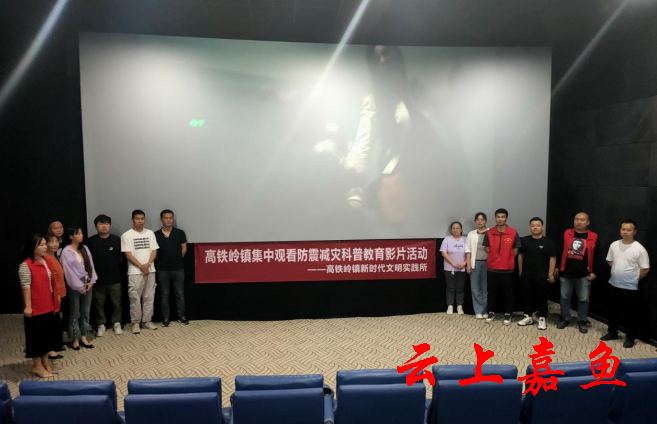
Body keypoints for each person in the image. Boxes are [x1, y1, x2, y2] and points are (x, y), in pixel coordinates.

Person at [600, 220, 650, 348]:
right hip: (613, 284)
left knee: (630, 315)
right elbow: (610, 261)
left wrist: (633, 278)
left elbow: (645, 269)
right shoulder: (614, 245)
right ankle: (612, 332)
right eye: (623, 229)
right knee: (612, 311)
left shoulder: (639, 249)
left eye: (628, 230)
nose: (625, 232)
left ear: (635, 232)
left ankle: (630, 338)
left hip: (630, 288)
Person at [19, 234, 62, 377]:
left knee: (47, 336)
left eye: (45, 244)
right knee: (36, 338)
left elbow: (51, 282)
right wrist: (28, 306)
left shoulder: (46, 261)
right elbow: (26, 287)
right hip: (36, 307)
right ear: (33, 247)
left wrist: (56, 296)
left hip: (48, 304)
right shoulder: (26, 265)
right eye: (41, 245)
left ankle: (46, 364)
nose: (45, 247)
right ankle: (37, 366)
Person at [557, 212, 599, 333]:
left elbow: (598, 255)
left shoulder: (594, 236)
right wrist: (557, 266)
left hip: (584, 274)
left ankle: (582, 320)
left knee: (584, 299)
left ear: (588, 222)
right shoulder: (567, 233)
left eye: (582, 220)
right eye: (577, 219)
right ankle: (565, 318)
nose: (579, 222)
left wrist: (594, 272)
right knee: (564, 297)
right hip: (566, 273)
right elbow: (559, 249)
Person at [122, 209, 159, 334]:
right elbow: (128, 254)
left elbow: (154, 251)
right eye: (137, 219)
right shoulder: (127, 235)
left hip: (150, 270)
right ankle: (135, 322)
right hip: (135, 271)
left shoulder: (150, 233)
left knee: (149, 297)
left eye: (142, 219)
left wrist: (147, 265)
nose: (140, 221)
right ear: (132, 220)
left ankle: (147, 321)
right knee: (135, 298)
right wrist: (141, 266)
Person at [61, 227, 97, 349]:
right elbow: (68, 271)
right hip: (74, 284)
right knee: (75, 312)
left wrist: (92, 281)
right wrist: (79, 286)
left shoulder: (84, 248)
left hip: (87, 281)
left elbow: (91, 265)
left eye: (81, 233)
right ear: (71, 236)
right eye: (78, 233)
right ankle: (75, 338)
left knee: (86, 311)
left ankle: (84, 336)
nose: (81, 235)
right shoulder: (66, 251)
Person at [517, 217, 557, 330]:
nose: (535, 227)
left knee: (542, 297)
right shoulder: (524, 240)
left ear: (542, 227)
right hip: (527, 274)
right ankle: (528, 316)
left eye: (538, 225)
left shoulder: (548, 242)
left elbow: (553, 258)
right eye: (533, 225)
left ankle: (542, 318)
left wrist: (550, 274)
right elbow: (520, 256)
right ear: (530, 227)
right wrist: (520, 271)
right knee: (527, 296)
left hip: (542, 276)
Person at [87, 214, 123, 336]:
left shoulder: (117, 240)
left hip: (114, 277)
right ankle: (101, 324)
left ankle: (116, 322)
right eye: (101, 223)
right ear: (96, 226)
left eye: (106, 223)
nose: (104, 226)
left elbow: (122, 257)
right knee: (99, 303)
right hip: (97, 279)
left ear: (110, 225)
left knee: (116, 303)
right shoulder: (91, 241)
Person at [483, 208, 520, 325]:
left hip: (507, 269)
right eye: (498, 217)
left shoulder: (513, 232)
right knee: (492, 292)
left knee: (508, 293)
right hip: (492, 268)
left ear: (506, 218)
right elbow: (486, 248)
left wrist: (506, 259)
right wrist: (494, 257)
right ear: (495, 218)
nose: (500, 219)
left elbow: (515, 250)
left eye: (502, 217)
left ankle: (508, 313)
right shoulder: (489, 232)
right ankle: (491, 312)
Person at [155, 209, 188, 327]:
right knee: (164, 294)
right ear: (161, 219)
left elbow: (184, 248)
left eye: (170, 218)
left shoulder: (180, 233)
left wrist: (177, 259)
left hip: (178, 268)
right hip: (162, 269)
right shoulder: (156, 234)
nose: (168, 220)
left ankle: (181, 316)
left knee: (180, 293)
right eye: (166, 218)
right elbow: (155, 252)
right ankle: (166, 317)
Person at [45, 233, 67, 360]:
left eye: (56, 241)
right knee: (52, 321)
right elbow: (49, 279)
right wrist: (56, 294)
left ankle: (56, 344)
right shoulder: (46, 258)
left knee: (57, 320)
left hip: (59, 293)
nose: (55, 244)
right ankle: (51, 349)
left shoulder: (55, 256)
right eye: (51, 242)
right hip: (53, 294)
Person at [440, 222, 467, 314]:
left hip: (462, 268)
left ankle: (460, 306)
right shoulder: (447, 239)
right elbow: (444, 253)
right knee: (450, 287)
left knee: (460, 288)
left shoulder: (466, 239)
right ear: (451, 230)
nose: (455, 230)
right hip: (449, 268)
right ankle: (450, 305)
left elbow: (469, 253)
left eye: (457, 228)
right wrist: (453, 263)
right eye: (453, 228)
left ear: (461, 229)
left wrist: (465, 263)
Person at [466, 212, 489, 319]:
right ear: (475, 221)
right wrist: (468, 264)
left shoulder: (490, 232)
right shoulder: (471, 234)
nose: (480, 222)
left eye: (482, 219)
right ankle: (478, 311)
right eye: (478, 220)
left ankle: (485, 310)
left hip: (488, 263)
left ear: (485, 221)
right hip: (475, 262)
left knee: (486, 287)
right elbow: (468, 250)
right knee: (475, 288)